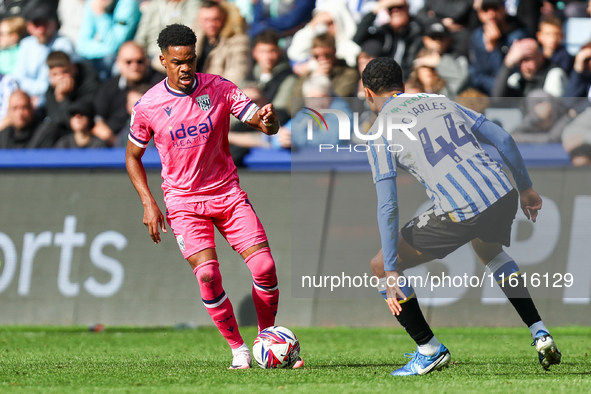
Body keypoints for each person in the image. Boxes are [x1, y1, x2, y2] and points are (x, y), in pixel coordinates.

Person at [360, 57, 561, 376]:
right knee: (489, 249)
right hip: (502, 192)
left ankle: (429, 349)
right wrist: (526, 189)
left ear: (368, 93)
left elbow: (388, 205)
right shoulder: (438, 100)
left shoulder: (379, 131)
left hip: (461, 207)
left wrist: (391, 268)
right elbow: (503, 139)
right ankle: (539, 332)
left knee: (379, 266)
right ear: (401, 83)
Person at [125, 23, 303, 370]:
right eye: (178, 61)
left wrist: (271, 121)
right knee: (207, 275)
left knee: (265, 267)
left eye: (190, 59)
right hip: (183, 202)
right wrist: (148, 202)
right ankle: (238, 349)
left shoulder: (219, 88)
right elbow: (132, 156)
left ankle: (266, 340)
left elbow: (262, 123)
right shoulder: (149, 105)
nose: (186, 68)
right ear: (163, 60)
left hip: (227, 194)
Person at [94, 41, 165, 146]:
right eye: (128, 62)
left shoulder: (162, 84)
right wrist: (115, 142)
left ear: (147, 61)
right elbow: (98, 121)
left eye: (139, 61)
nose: (134, 66)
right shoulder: (109, 86)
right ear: (118, 62)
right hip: (114, 146)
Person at [13, 4, 76, 106]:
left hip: (55, 100)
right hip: (30, 101)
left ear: (54, 23)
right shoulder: (26, 44)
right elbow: (19, 78)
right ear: (29, 26)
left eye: (45, 23)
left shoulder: (64, 44)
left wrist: (40, 97)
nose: (41, 29)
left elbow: (61, 81)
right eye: (36, 24)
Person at [468, 0, 528, 96]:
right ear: (480, 14)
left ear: (504, 9)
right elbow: (477, 74)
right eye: (486, 10)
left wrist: (494, 48)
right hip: (485, 92)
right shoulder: (477, 36)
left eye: (495, 9)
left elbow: (510, 75)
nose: (491, 14)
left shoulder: (518, 35)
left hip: (510, 94)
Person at [352, 0, 423, 79]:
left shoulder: (418, 29)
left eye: (399, 7)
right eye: (390, 8)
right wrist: (377, 8)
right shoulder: (384, 33)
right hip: (387, 82)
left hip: (411, 81)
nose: (395, 10)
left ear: (407, 7)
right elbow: (358, 39)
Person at [42, 50, 100, 146]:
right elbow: (56, 121)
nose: (60, 78)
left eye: (65, 72)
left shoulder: (89, 82)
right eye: (55, 74)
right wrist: (61, 97)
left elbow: (82, 115)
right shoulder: (50, 91)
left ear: (74, 68)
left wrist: (62, 99)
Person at [76, 0, 141, 80]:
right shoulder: (92, 2)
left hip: (123, 57)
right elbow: (81, 45)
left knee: (113, 62)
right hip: (101, 54)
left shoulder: (128, 3)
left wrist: (101, 14)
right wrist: (107, 48)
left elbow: (114, 45)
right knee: (77, 61)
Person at [193, 1, 251, 86]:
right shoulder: (194, 37)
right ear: (199, 20)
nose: (211, 24)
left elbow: (237, 73)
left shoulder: (238, 41)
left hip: (219, 92)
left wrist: (210, 91)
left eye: (216, 19)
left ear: (224, 18)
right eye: (206, 20)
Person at [134, 0, 201, 73]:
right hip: (149, 54)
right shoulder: (155, 5)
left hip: (173, 52)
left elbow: (186, 32)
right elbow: (141, 34)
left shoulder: (192, 4)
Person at [247, 30, 297, 125]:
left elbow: (280, 115)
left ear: (279, 51)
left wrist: (260, 99)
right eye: (262, 51)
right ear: (254, 53)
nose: (267, 57)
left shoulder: (288, 78)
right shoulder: (249, 75)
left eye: (272, 51)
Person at [492, 38, 567, 98]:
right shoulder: (518, 78)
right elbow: (498, 97)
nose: (524, 66)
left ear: (540, 57)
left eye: (528, 60)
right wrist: (508, 62)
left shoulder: (555, 73)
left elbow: (549, 108)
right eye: (520, 61)